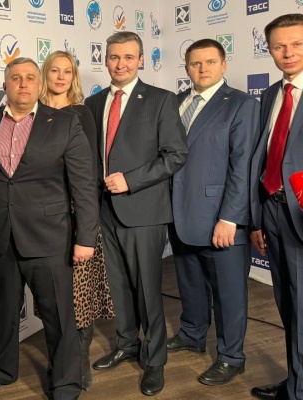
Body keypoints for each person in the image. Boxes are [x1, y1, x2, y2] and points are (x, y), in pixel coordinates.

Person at [0, 57, 99, 400]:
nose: (24, 83)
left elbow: (84, 185)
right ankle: (3, 368)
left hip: (49, 237)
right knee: (4, 311)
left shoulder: (65, 122)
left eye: (30, 77)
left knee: (58, 315)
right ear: (5, 86)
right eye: (16, 78)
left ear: (39, 85)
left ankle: (66, 382)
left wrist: (86, 237)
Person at [84, 31, 188, 396]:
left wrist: (130, 180)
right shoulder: (93, 103)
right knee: (117, 286)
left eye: (129, 57)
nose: (121, 64)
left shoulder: (160, 99)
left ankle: (155, 358)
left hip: (143, 209)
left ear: (141, 60)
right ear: (105, 59)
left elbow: (176, 155)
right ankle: (127, 344)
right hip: (104, 210)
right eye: (114, 57)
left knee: (147, 289)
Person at [168, 38, 259, 386]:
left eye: (209, 62)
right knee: (189, 281)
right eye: (195, 63)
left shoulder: (241, 104)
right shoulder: (175, 102)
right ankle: (192, 334)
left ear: (223, 65)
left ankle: (231, 356)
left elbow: (242, 165)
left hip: (221, 218)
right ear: (187, 67)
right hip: (179, 213)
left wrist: (230, 218)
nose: (202, 68)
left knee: (228, 293)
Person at [38, 50, 115, 391]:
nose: (60, 77)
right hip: (42, 217)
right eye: (54, 70)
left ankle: (79, 363)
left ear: (73, 77)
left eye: (66, 71)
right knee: (52, 296)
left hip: (75, 214)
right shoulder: (33, 113)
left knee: (79, 295)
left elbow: (88, 172)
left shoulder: (80, 114)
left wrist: (85, 220)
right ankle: (59, 361)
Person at [249, 13, 303, 400]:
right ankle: (296, 381)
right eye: (278, 46)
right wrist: (257, 219)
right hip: (272, 209)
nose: (288, 53)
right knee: (287, 303)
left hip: (301, 213)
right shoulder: (270, 94)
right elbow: (263, 156)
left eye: (297, 44)